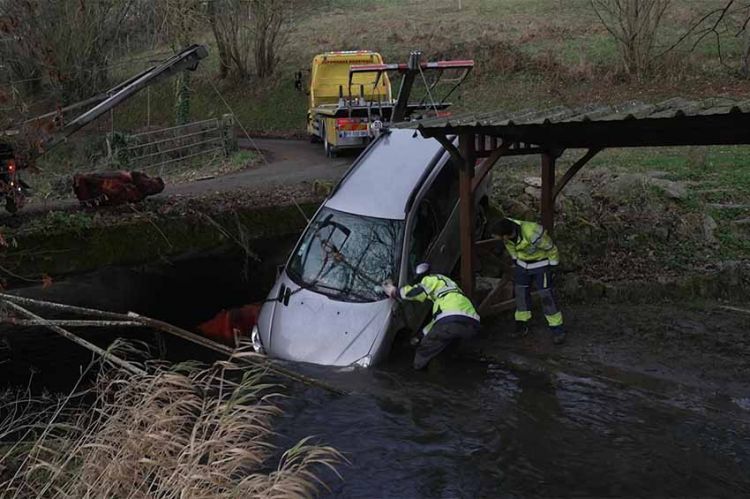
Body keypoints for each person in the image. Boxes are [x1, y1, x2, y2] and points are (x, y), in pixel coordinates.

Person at [383, 263, 480, 369]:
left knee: (425, 349)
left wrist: (395, 291)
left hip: (450, 322)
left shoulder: (432, 279)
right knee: (447, 347)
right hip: (472, 323)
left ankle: (417, 375)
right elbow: (436, 323)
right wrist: (419, 336)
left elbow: (416, 292)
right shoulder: (453, 294)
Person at [491, 218, 565, 345]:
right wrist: (516, 260)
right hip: (522, 265)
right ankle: (521, 325)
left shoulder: (532, 232)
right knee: (520, 293)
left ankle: (557, 329)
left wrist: (553, 266)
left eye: (500, 238)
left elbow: (551, 248)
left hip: (541, 264)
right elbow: (511, 248)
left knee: (546, 295)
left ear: (506, 235)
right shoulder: (506, 232)